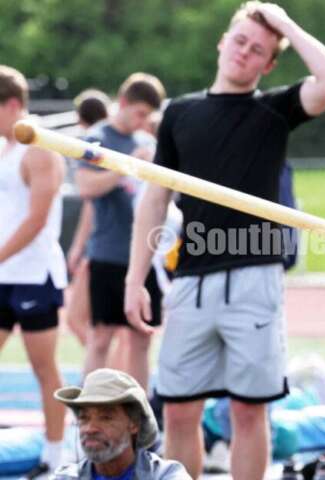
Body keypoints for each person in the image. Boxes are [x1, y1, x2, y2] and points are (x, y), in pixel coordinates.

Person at [123, 3, 325, 478]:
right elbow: (155, 200)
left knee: (249, 411)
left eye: (259, 50)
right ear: (223, 42)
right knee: (181, 409)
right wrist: (135, 279)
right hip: (190, 283)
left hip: (254, 282)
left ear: (268, 64)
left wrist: (283, 24)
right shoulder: (180, 114)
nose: (245, 53)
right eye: (240, 41)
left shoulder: (273, 111)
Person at [75, 73, 166, 392]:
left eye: (148, 116)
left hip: (145, 255)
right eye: (140, 113)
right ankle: (87, 411)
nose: (143, 122)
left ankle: (138, 412)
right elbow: (85, 186)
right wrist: (125, 167)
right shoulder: (97, 137)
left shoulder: (148, 142)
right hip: (109, 252)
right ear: (123, 103)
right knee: (101, 335)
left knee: (142, 336)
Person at [0, 65, 68, 478]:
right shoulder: (5, 148)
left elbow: (38, 219)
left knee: (44, 368)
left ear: (11, 105)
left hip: (34, 276)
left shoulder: (39, 146)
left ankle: (55, 455)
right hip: (6, 274)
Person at [53, 368, 191, 479]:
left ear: (134, 424)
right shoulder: (64, 477)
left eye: (106, 417)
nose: (90, 428)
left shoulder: (166, 475)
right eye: (84, 418)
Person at [66, 89, 111, 348]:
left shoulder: (95, 145)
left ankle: (110, 378)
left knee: (81, 322)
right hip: (116, 245)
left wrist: (80, 248)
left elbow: (92, 205)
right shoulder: (115, 141)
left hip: (104, 247)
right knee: (113, 331)